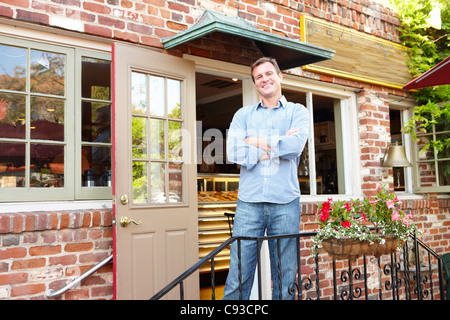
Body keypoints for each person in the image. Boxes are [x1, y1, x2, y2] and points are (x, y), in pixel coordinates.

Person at [222, 57, 309, 300]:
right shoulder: (243, 115)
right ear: (255, 84)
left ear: (280, 76)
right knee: (238, 274)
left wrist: (255, 141)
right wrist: (279, 141)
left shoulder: (297, 112)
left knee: (285, 275)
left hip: (285, 203)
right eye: (259, 77)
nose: (265, 79)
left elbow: (295, 147)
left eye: (269, 73)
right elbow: (233, 152)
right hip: (249, 203)